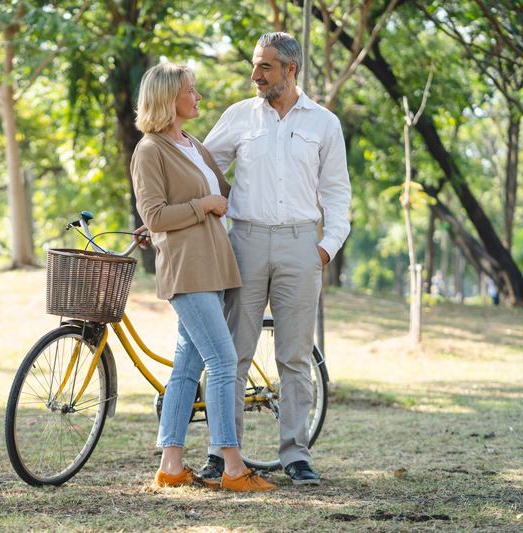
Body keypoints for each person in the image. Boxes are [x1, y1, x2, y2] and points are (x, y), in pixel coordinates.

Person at [201, 32, 352, 486]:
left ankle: (296, 454)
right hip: (243, 243)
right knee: (232, 355)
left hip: (301, 245)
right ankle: (222, 453)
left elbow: (337, 192)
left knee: (294, 357)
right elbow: (203, 167)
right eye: (255, 65)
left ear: (291, 69)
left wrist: (328, 246)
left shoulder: (324, 123)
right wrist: (217, 205)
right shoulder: (239, 117)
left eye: (265, 66)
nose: (255, 75)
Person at [131, 62, 276, 492]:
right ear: (168, 99)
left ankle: (171, 466)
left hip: (213, 266)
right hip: (186, 269)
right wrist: (203, 206)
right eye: (190, 91)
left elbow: (226, 194)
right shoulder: (150, 150)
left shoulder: (192, 143)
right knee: (223, 361)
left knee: (187, 367)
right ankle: (233, 468)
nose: (197, 97)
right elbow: (154, 214)